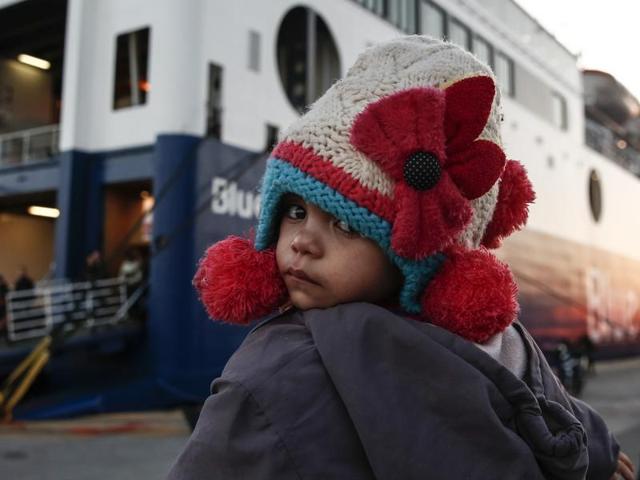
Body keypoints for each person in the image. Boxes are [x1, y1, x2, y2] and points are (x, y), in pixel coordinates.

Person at [167, 37, 634, 480]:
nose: (302, 241)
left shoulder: (275, 372)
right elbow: (545, 405)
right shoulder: (504, 344)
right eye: (294, 211)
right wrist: (600, 451)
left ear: (420, 260)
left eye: (347, 223)